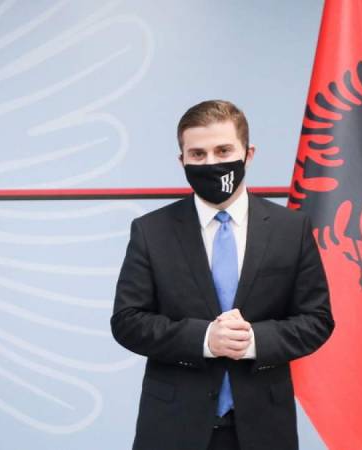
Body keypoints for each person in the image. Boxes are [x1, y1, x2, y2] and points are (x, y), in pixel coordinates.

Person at [111, 100, 334, 450]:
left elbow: (317, 320)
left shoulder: (291, 229)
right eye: (197, 154)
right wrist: (204, 339)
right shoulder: (150, 231)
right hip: (172, 428)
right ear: (182, 160)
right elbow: (127, 321)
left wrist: (254, 340)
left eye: (223, 150)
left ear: (248, 154)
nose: (211, 163)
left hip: (264, 429)